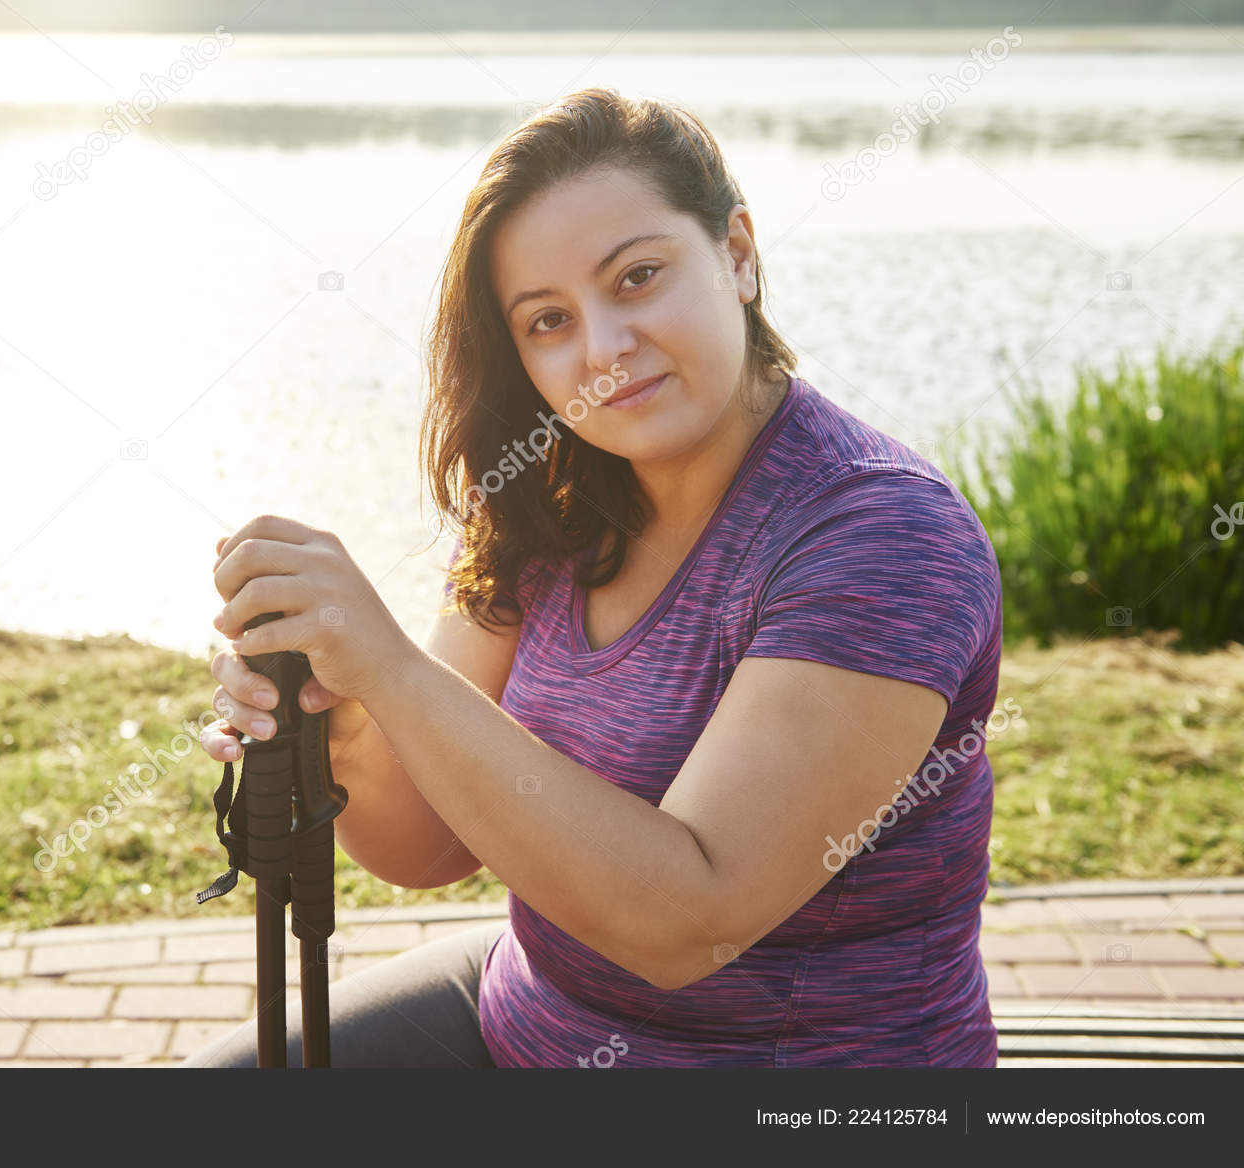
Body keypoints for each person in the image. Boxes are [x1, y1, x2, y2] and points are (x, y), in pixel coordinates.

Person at [183, 88, 1003, 1068]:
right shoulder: (544, 498)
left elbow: (689, 920)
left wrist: (396, 670)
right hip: (528, 1018)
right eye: (546, 322)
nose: (602, 351)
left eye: (638, 277)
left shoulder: (881, 535)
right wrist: (339, 711)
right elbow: (422, 843)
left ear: (737, 255)